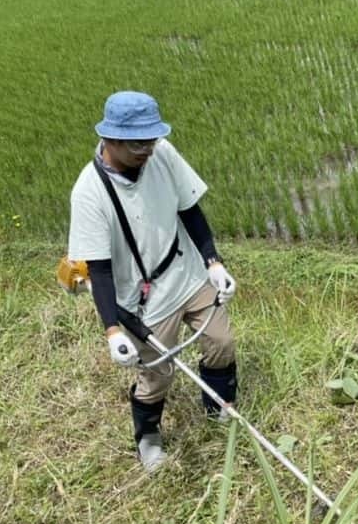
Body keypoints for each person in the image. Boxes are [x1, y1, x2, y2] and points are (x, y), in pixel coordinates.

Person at [66, 91, 238, 473]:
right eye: (137, 143)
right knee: (158, 374)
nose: (147, 149)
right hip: (142, 300)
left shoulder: (161, 153)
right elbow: (100, 270)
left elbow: (189, 208)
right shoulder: (90, 193)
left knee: (221, 342)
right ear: (110, 139)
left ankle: (218, 408)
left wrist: (213, 262)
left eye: (152, 139)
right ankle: (148, 438)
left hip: (186, 271)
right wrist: (113, 330)